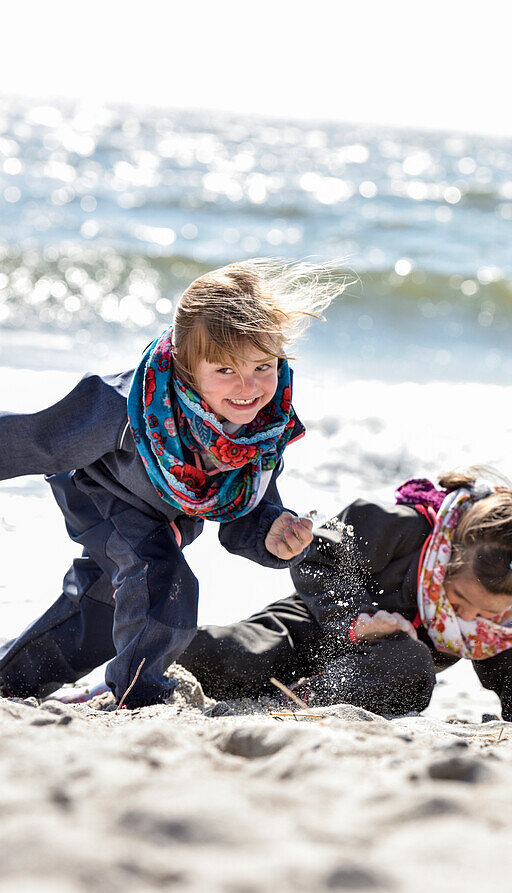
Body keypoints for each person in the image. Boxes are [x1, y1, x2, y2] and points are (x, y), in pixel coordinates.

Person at [0, 259, 346, 707]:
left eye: (263, 366)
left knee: (102, 611)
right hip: (99, 493)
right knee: (162, 582)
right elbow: (40, 439)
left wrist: (271, 534)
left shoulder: (263, 428)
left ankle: (11, 683)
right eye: (225, 371)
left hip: (165, 518)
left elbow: (246, 509)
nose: (248, 386)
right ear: (186, 366)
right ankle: (140, 699)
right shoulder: (126, 403)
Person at [180, 469, 512, 731]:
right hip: (313, 623)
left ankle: (303, 701)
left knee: (410, 667)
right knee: (240, 655)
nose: (472, 619)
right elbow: (317, 557)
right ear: (446, 557)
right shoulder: (399, 527)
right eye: (460, 601)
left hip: (373, 670)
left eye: (487, 613)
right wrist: (357, 619)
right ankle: (148, 658)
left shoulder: (493, 619)